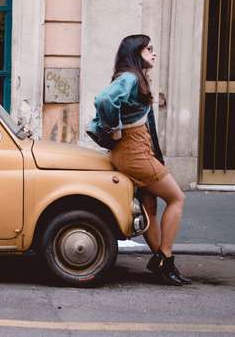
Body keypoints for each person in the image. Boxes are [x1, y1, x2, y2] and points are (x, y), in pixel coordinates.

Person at [87, 34, 191, 286]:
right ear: (136, 53)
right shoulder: (130, 77)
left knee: (150, 209)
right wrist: (114, 127)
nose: (154, 54)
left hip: (136, 149)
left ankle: (161, 264)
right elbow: (104, 100)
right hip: (134, 151)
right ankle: (165, 258)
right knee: (177, 198)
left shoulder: (134, 77)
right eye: (149, 50)